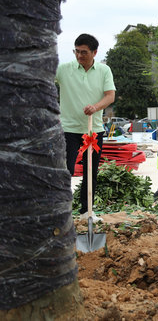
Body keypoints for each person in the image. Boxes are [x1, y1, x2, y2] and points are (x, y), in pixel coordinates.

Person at [55, 33, 115, 218]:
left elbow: (110, 95)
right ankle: (61, 210)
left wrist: (95, 107)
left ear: (94, 52)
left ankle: (86, 210)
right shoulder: (64, 69)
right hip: (68, 128)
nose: (80, 55)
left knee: (91, 171)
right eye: (77, 51)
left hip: (93, 130)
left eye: (84, 52)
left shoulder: (104, 70)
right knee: (66, 170)